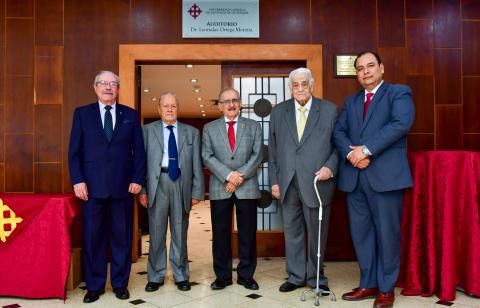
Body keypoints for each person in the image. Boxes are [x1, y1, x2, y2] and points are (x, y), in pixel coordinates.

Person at [333, 51, 415, 308]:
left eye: (370, 66)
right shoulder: (351, 101)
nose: (365, 71)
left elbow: (401, 124)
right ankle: (368, 283)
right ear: (356, 74)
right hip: (355, 178)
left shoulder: (398, 93)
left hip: (386, 178)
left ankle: (386, 288)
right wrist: (351, 153)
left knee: (387, 235)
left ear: (381, 68)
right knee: (362, 235)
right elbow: (339, 131)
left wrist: (365, 150)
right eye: (360, 68)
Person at [68, 70, 146, 303]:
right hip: (91, 189)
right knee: (93, 238)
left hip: (123, 188)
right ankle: (94, 285)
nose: (108, 87)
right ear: (95, 88)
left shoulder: (130, 115)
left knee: (122, 238)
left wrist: (137, 179)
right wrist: (77, 180)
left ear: (119, 89)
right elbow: (74, 152)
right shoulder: (82, 114)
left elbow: (139, 153)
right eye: (104, 83)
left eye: (113, 84)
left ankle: (120, 284)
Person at [268, 67, 339, 293]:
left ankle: (317, 277)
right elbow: (273, 150)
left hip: (317, 182)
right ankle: (296, 275)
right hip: (287, 183)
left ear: (312, 84)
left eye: (304, 84)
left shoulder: (329, 110)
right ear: (290, 88)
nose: (300, 89)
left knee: (317, 233)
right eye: (295, 85)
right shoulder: (278, 112)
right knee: (293, 232)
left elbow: (339, 145)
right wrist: (274, 181)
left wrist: (330, 166)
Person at [139, 92, 204, 292]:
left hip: (181, 184)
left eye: (173, 106)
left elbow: (197, 164)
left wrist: (197, 191)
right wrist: (142, 189)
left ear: (178, 108)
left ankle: (181, 275)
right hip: (156, 184)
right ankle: (156, 275)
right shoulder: (146, 131)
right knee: (156, 233)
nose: (169, 109)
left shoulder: (191, 132)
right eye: (165, 106)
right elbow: (139, 163)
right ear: (159, 109)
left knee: (180, 232)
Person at [202, 87, 263, 291]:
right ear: (220, 106)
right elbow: (207, 156)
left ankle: (246, 275)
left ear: (240, 104)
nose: (231, 104)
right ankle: (223, 277)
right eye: (226, 101)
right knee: (220, 234)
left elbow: (257, 155)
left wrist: (239, 177)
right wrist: (229, 175)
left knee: (247, 234)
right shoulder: (209, 128)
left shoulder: (253, 126)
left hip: (247, 186)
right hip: (221, 186)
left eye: (235, 100)